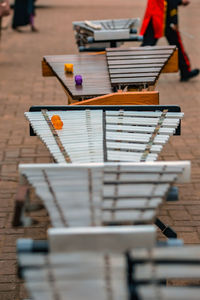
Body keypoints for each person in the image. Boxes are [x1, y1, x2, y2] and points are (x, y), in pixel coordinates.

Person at [140, 0, 199, 82]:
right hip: (164, 16)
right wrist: (174, 21)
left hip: (155, 13)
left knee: (147, 46)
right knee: (177, 46)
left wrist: (180, 2)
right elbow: (172, 2)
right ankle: (185, 71)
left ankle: (138, 71)